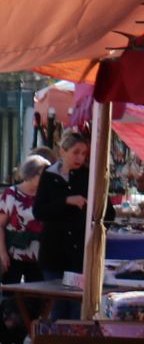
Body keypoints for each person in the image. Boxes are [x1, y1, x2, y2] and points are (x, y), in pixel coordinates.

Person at [35, 130, 114, 320]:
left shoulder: (89, 177)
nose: (80, 157)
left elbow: (109, 213)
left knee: (76, 307)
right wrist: (66, 201)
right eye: (76, 152)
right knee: (57, 307)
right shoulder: (49, 176)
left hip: (79, 256)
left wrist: (95, 225)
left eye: (84, 153)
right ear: (63, 151)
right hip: (54, 253)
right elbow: (39, 211)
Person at [0, 155, 48, 285]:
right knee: (10, 297)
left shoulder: (45, 195)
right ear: (31, 174)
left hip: (38, 256)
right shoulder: (11, 194)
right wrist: (2, 253)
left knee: (36, 299)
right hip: (14, 254)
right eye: (43, 174)